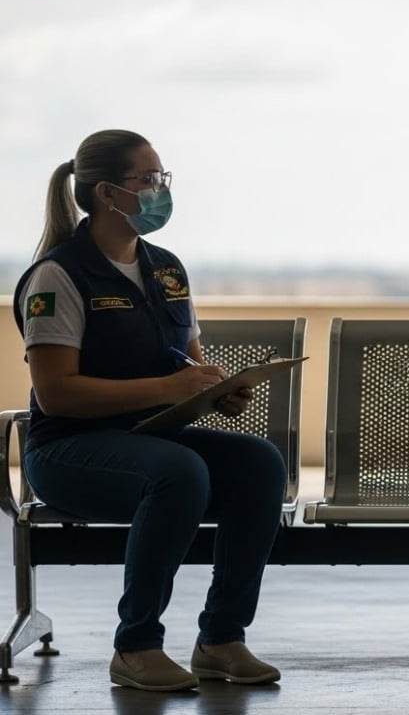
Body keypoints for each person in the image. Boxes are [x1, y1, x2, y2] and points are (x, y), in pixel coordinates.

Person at [12, 130, 287, 692]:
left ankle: (221, 639)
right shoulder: (58, 276)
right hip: (69, 450)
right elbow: (57, 394)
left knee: (259, 464)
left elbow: (188, 364)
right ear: (108, 193)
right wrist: (167, 387)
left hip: (151, 437)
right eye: (150, 179)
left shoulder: (167, 269)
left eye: (163, 178)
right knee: (178, 472)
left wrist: (215, 390)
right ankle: (135, 647)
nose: (162, 190)